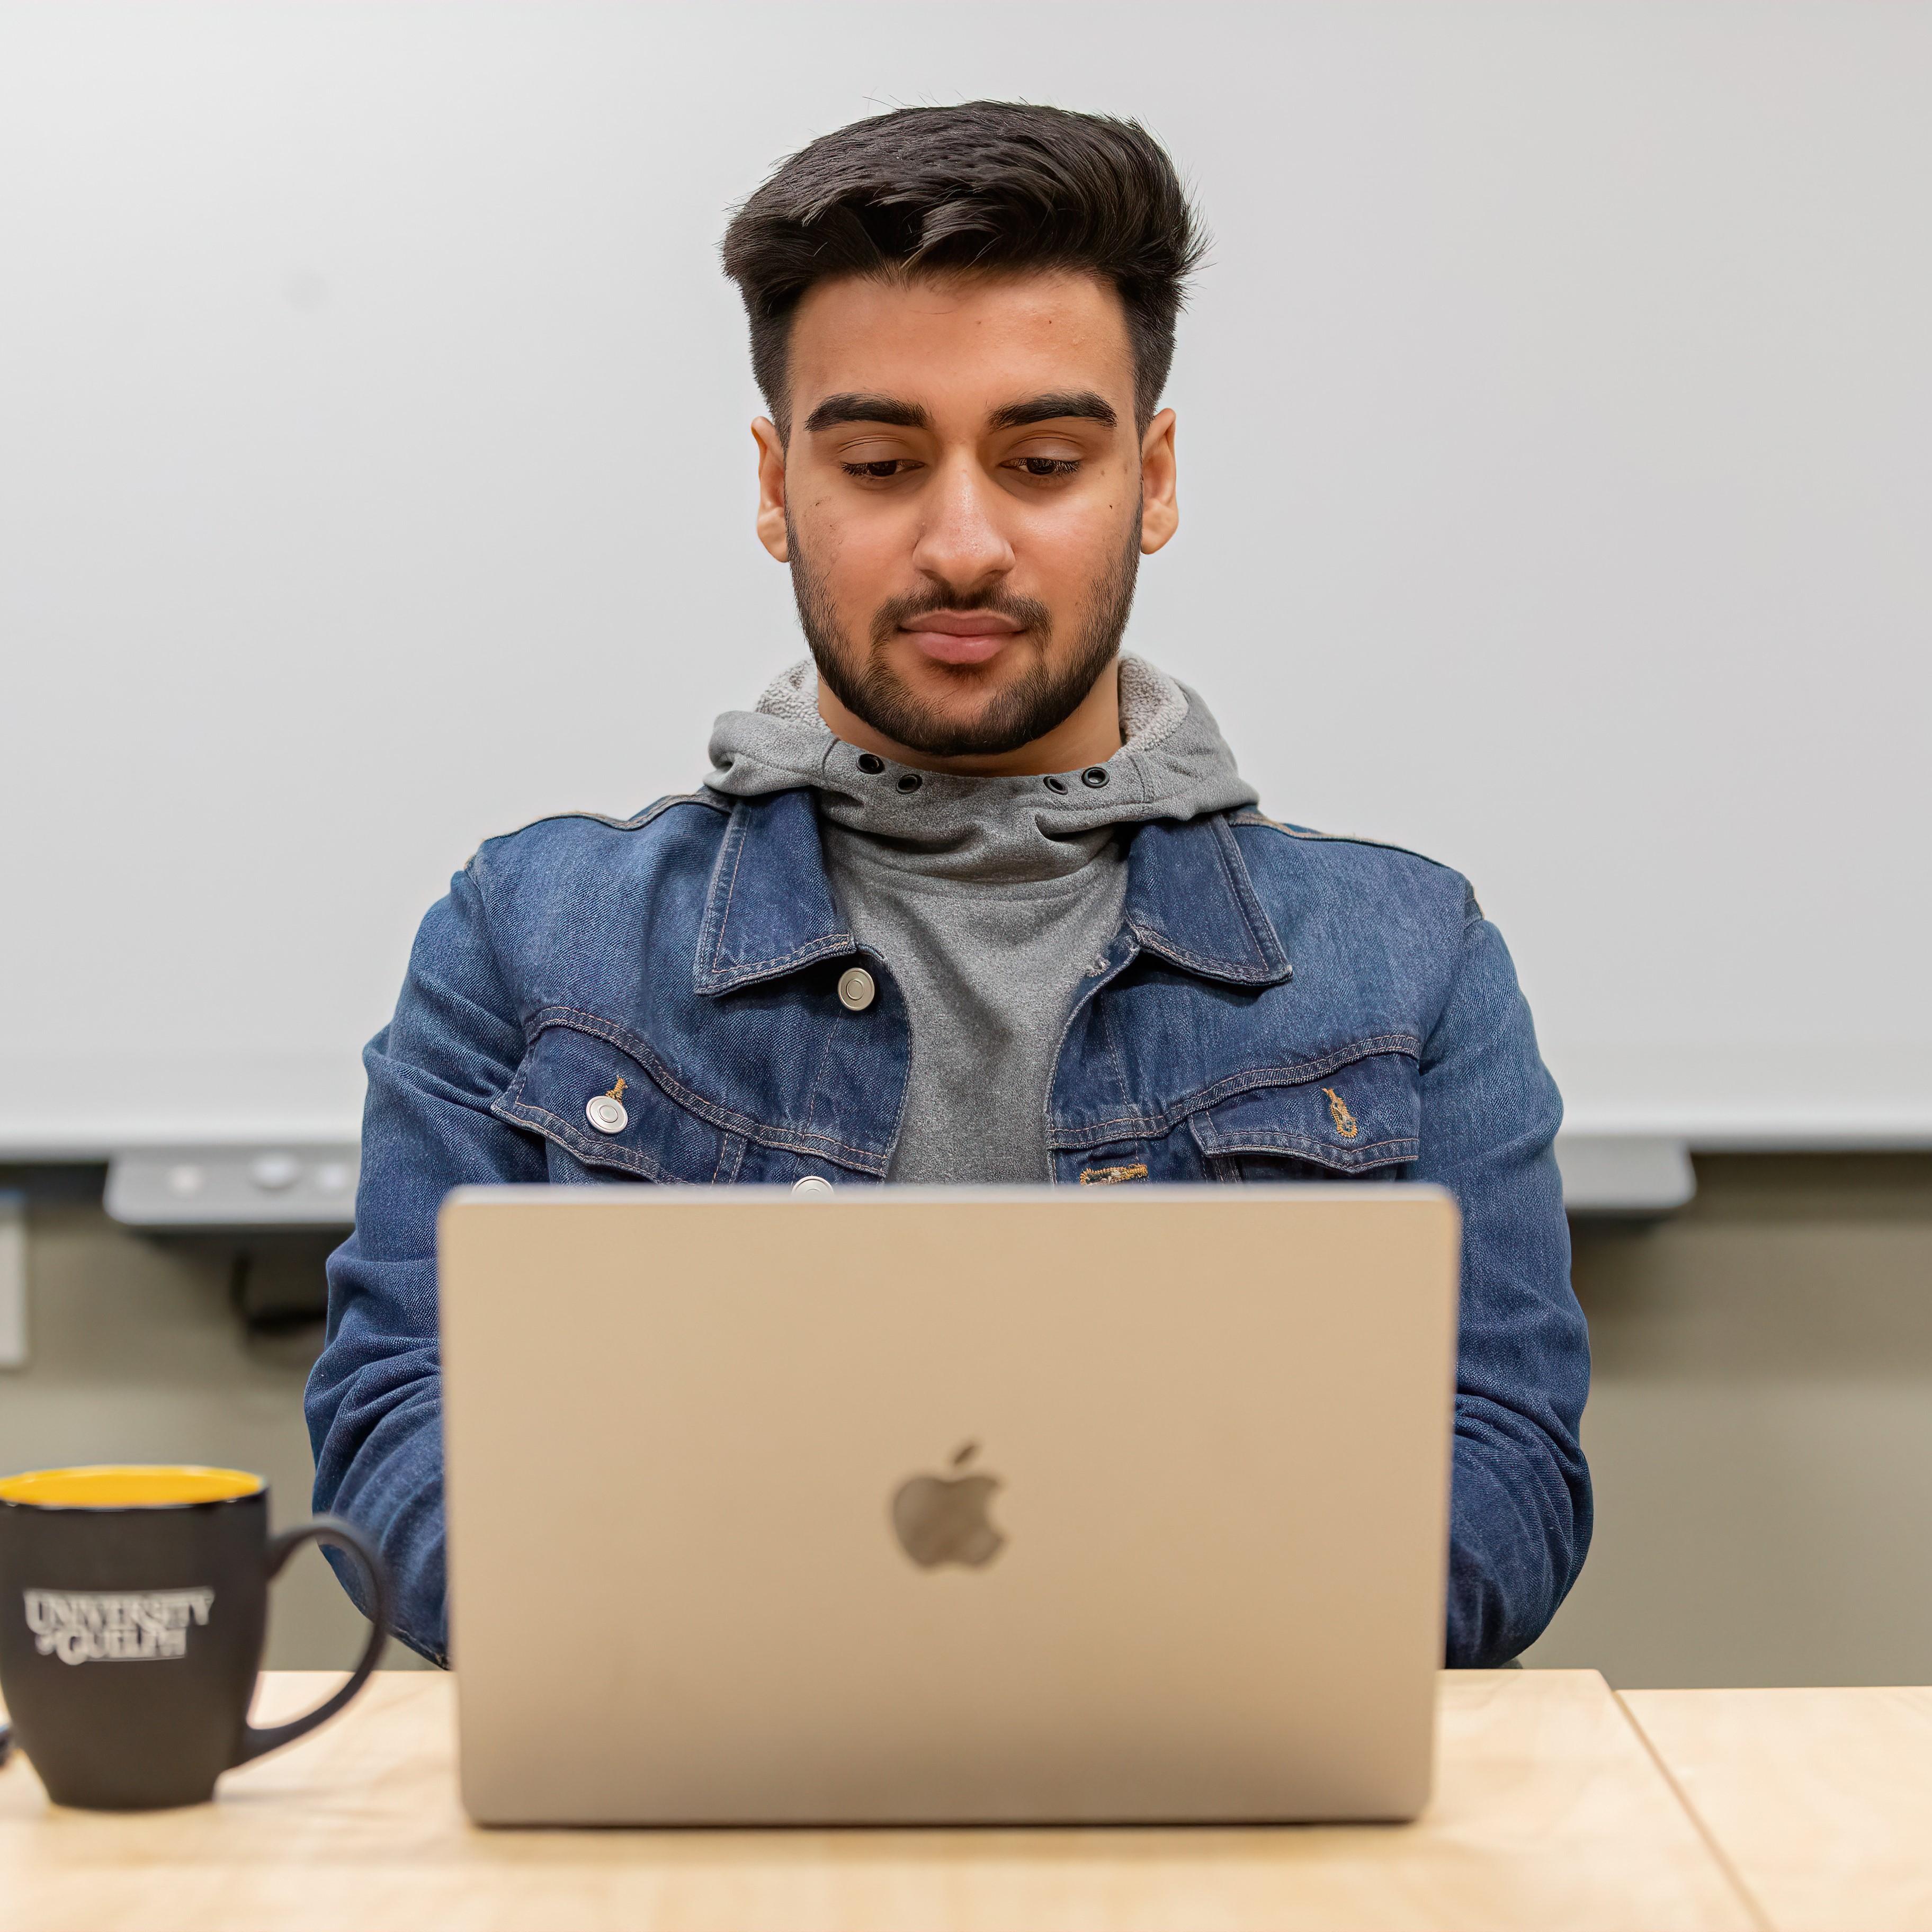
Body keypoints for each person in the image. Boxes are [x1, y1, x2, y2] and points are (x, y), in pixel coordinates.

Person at [307, 102, 1590, 1669]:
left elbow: (1506, 1475)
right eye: (881, 462)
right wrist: (810, 1651)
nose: (965, 541)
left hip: (1216, 1820)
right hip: (691, 1816)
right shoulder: (528, 938)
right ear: (779, 485)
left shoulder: (1407, 962)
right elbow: (395, 1435)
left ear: (1155, 478)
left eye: (1043, 460)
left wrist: (1074, 1658)